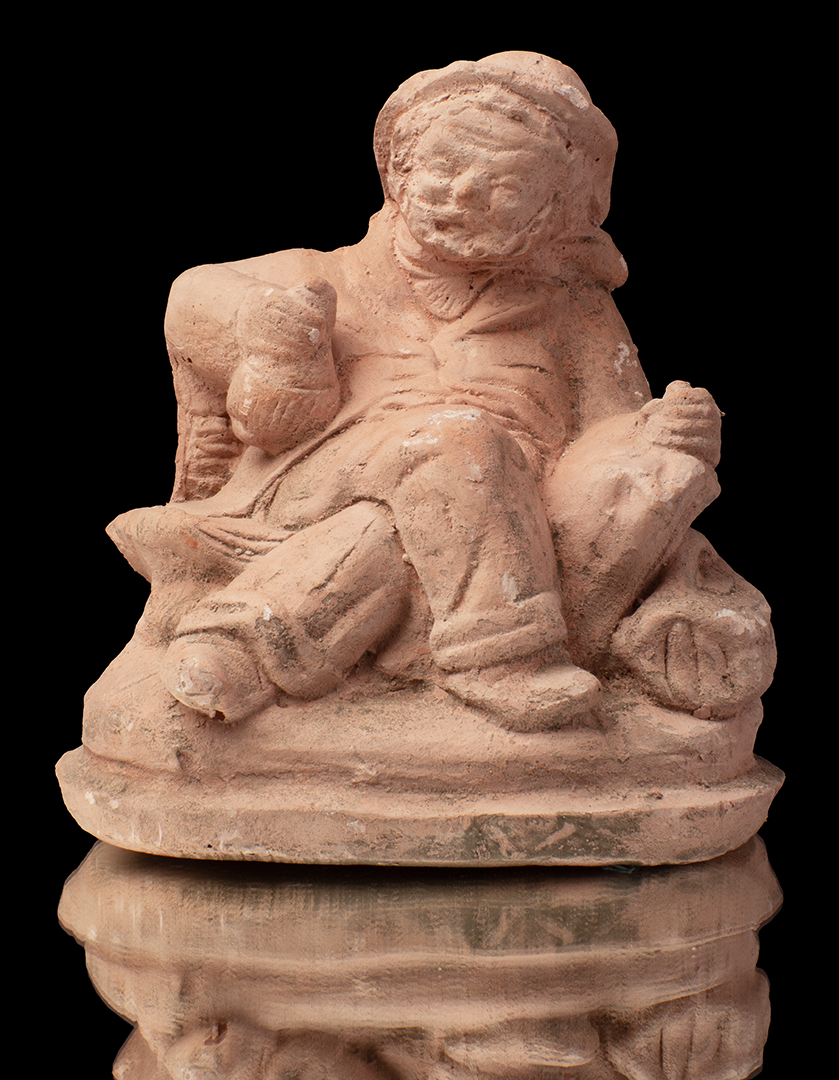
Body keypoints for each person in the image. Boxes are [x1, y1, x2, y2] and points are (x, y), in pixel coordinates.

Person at [110, 52, 721, 729]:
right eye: (444, 165)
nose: (463, 193)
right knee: (455, 443)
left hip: (501, 517)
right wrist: (276, 343)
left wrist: (663, 430)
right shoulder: (308, 277)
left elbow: (614, 430)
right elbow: (224, 350)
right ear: (398, 172)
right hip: (308, 493)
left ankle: (237, 646)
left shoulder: (574, 309)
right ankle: (502, 659)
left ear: (553, 209)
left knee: (426, 517)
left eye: (505, 186)